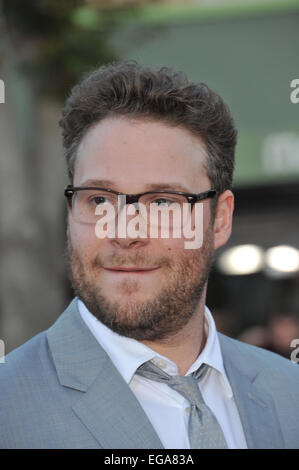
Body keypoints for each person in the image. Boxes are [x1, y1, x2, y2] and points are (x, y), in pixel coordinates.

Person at [1, 62, 298, 449]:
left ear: (220, 219)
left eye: (162, 202)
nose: (125, 233)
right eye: (99, 200)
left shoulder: (288, 392)